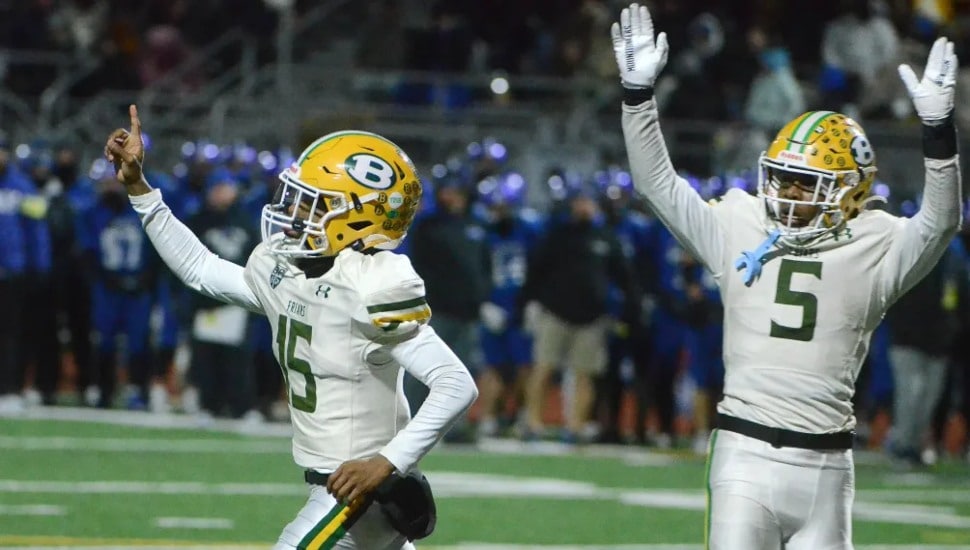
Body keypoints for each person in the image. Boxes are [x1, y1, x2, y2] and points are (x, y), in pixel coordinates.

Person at [611, 4, 961, 548]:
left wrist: (939, 135)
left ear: (850, 190)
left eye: (806, 182)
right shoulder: (740, 222)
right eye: (783, 177)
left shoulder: (876, 242)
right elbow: (657, 184)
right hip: (744, 453)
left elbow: (941, 221)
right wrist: (637, 98)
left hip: (828, 463)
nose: (788, 193)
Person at [104, 108, 478, 549]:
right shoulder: (284, 266)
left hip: (361, 494)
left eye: (312, 202)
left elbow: (455, 385)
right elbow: (201, 269)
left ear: (356, 216)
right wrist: (140, 190)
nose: (293, 211)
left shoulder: (373, 282)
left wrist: (386, 462)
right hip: (341, 486)